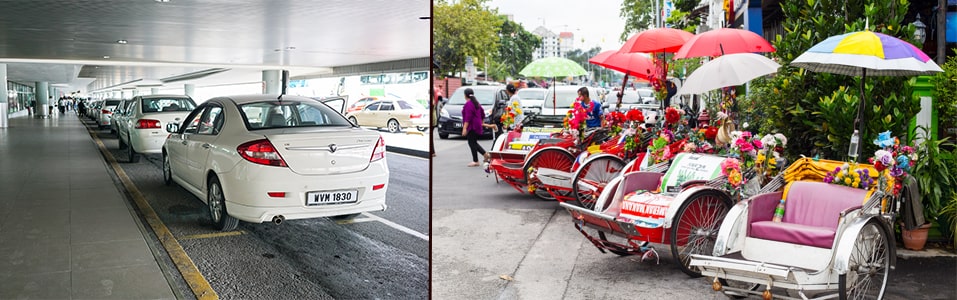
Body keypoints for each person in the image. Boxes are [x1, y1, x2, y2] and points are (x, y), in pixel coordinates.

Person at [461, 88, 497, 167]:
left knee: (472, 142)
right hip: (476, 125)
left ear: (465, 95)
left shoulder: (468, 104)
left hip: (472, 125)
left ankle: (476, 160)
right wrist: (481, 121)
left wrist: (464, 128)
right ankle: (484, 155)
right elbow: (482, 113)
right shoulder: (476, 103)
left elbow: (468, 117)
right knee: (473, 142)